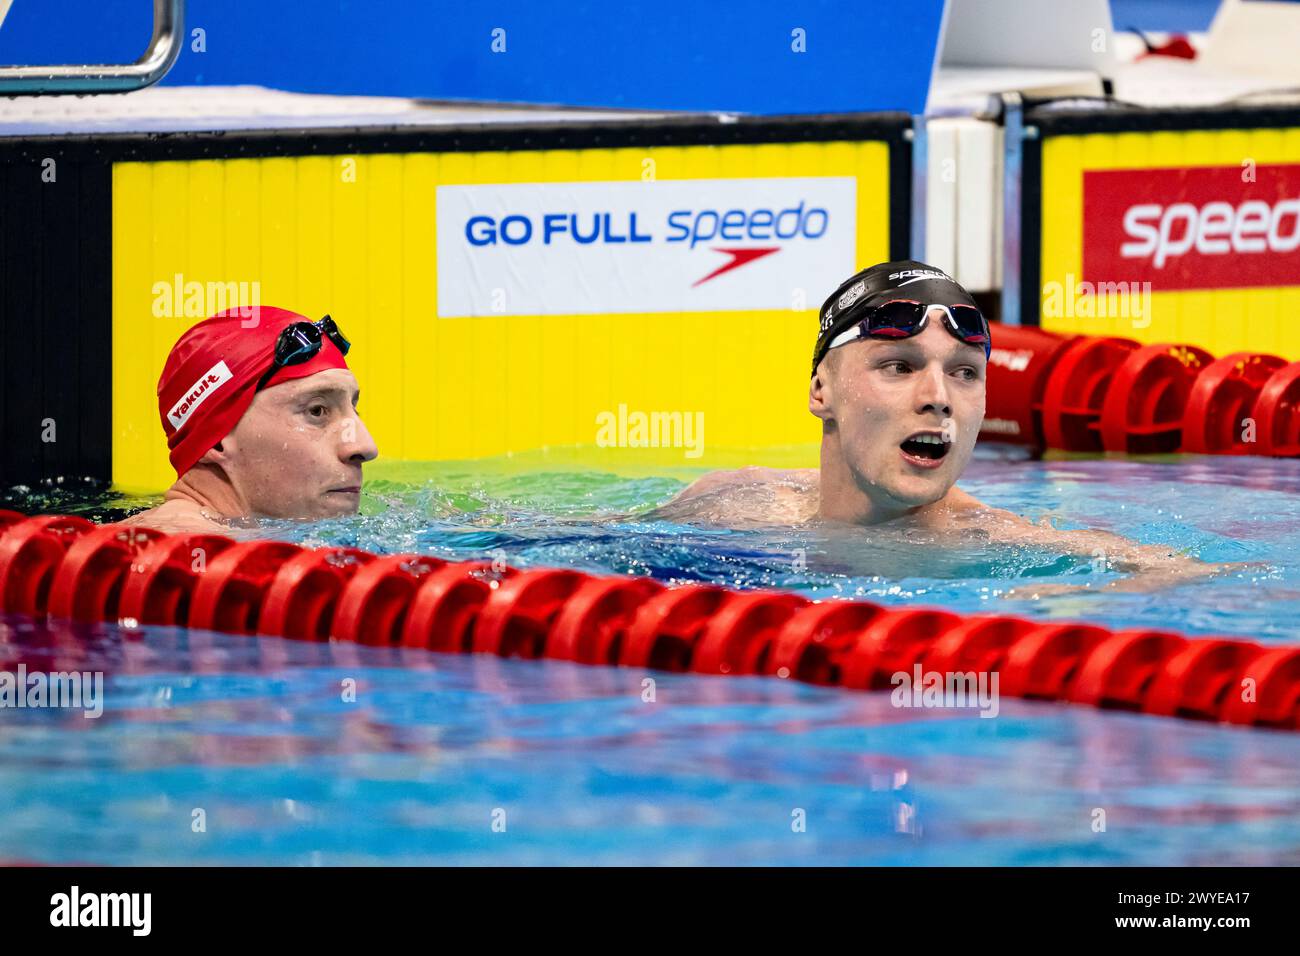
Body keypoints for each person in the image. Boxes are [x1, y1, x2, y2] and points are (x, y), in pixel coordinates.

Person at [647, 260, 1236, 593]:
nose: (938, 399)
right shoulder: (734, 502)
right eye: (899, 366)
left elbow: (1192, 573)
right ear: (821, 390)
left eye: (964, 373)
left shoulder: (997, 546)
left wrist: (1081, 600)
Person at [119, 307, 378, 535]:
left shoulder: (251, 537)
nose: (365, 447)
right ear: (217, 440)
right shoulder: (175, 552)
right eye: (317, 411)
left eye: (353, 409)